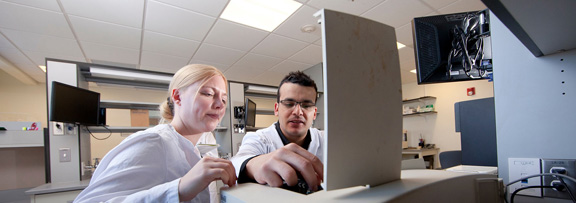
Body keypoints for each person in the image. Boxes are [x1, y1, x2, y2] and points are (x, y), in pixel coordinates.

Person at [74, 64, 237, 202]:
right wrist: (179, 190)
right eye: (208, 93)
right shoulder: (154, 142)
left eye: (223, 99)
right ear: (177, 96)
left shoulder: (192, 148)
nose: (219, 105)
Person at [230, 71, 324, 192]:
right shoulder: (259, 138)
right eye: (289, 104)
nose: (298, 112)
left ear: (314, 113)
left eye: (306, 105)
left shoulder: (326, 139)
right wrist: (256, 164)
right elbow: (237, 162)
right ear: (276, 109)